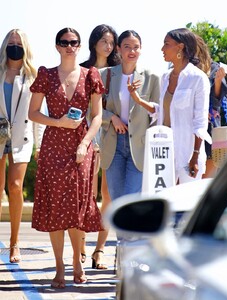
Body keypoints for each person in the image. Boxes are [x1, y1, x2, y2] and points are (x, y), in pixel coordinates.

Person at [28, 27, 104, 288]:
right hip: (53, 147)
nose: (69, 46)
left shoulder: (90, 74)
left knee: (78, 206)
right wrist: (58, 122)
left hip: (81, 147)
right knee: (55, 208)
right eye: (64, 42)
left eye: (74, 42)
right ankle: (59, 266)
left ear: (80, 46)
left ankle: (77, 260)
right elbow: (33, 113)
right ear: (57, 47)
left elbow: (97, 116)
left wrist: (85, 144)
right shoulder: (46, 75)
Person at [127, 28, 211, 184]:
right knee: (165, 200)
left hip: (187, 152)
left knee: (186, 202)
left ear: (180, 47)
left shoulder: (198, 78)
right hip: (164, 151)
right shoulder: (165, 77)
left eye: (166, 44)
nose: (162, 49)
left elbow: (200, 122)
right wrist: (138, 100)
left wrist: (195, 155)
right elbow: (162, 112)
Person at [99, 30, 160, 201]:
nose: (132, 51)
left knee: (132, 199)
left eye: (136, 47)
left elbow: (158, 113)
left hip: (140, 145)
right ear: (118, 48)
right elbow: (92, 110)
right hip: (113, 143)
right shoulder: (105, 75)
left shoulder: (152, 78)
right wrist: (111, 117)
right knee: (117, 201)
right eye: (127, 47)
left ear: (141, 49)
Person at [0, 29, 44, 263]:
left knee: (15, 186)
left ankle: (15, 243)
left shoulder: (33, 76)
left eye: (18, 43)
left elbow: (37, 113)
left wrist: (39, 144)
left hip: (22, 137)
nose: (14, 46)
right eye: (11, 42)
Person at [80, 24, 121, 269]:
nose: (108, 45)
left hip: (113, 138)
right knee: (86, 194)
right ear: (94, 42)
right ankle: (81, 246)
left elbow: (120, 107)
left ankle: (100, 249)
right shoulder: (83, 70)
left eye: (111, 41)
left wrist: (109, 117)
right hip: (87, 135)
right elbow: (86, 108)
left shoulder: (119, 71)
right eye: (104, 40)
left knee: (107, 195)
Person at [195, 34, 227, 178]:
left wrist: (218, 82)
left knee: (206, 180)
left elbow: (218, 99)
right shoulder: (183, 70)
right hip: (188, 129)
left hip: (209, 129)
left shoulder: (214, 67)